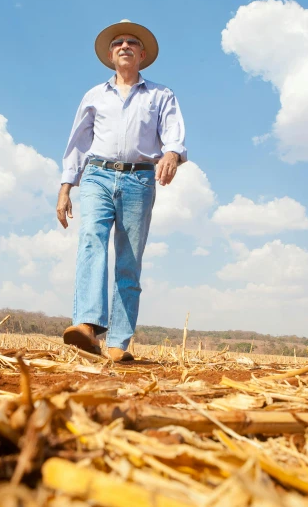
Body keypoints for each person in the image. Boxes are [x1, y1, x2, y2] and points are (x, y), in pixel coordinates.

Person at [56, 19, 187, 362]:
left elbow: (173, 133)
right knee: (90, 242)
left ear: (142, 54)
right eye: (118, 43)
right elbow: (77, 144)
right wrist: (66, 186)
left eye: (132, 42)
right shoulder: (94, 95)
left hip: (140, 179)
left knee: (129, 262)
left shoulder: (161, 95)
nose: (125, 46)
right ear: (111, 55)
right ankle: (86, 325)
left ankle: (118, 343)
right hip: (98, 175)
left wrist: (171, 153)